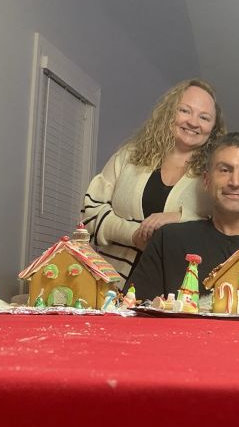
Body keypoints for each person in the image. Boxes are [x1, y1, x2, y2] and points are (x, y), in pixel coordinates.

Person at [128, 132, 239, 316]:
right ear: (206, 180)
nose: (235, 182)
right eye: (225, 170)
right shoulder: (167, 240)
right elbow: (136, 313)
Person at [82, 79, 227, 284]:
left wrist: (179, 217)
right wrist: (134, 235)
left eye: (204, 117)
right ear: (169, 113)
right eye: (185, 111)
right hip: (110, 285)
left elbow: (225, 229)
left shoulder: (217, 174)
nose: (193, 122)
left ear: (213, 127)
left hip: (177, 293)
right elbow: (90, 213)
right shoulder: (129, 156)